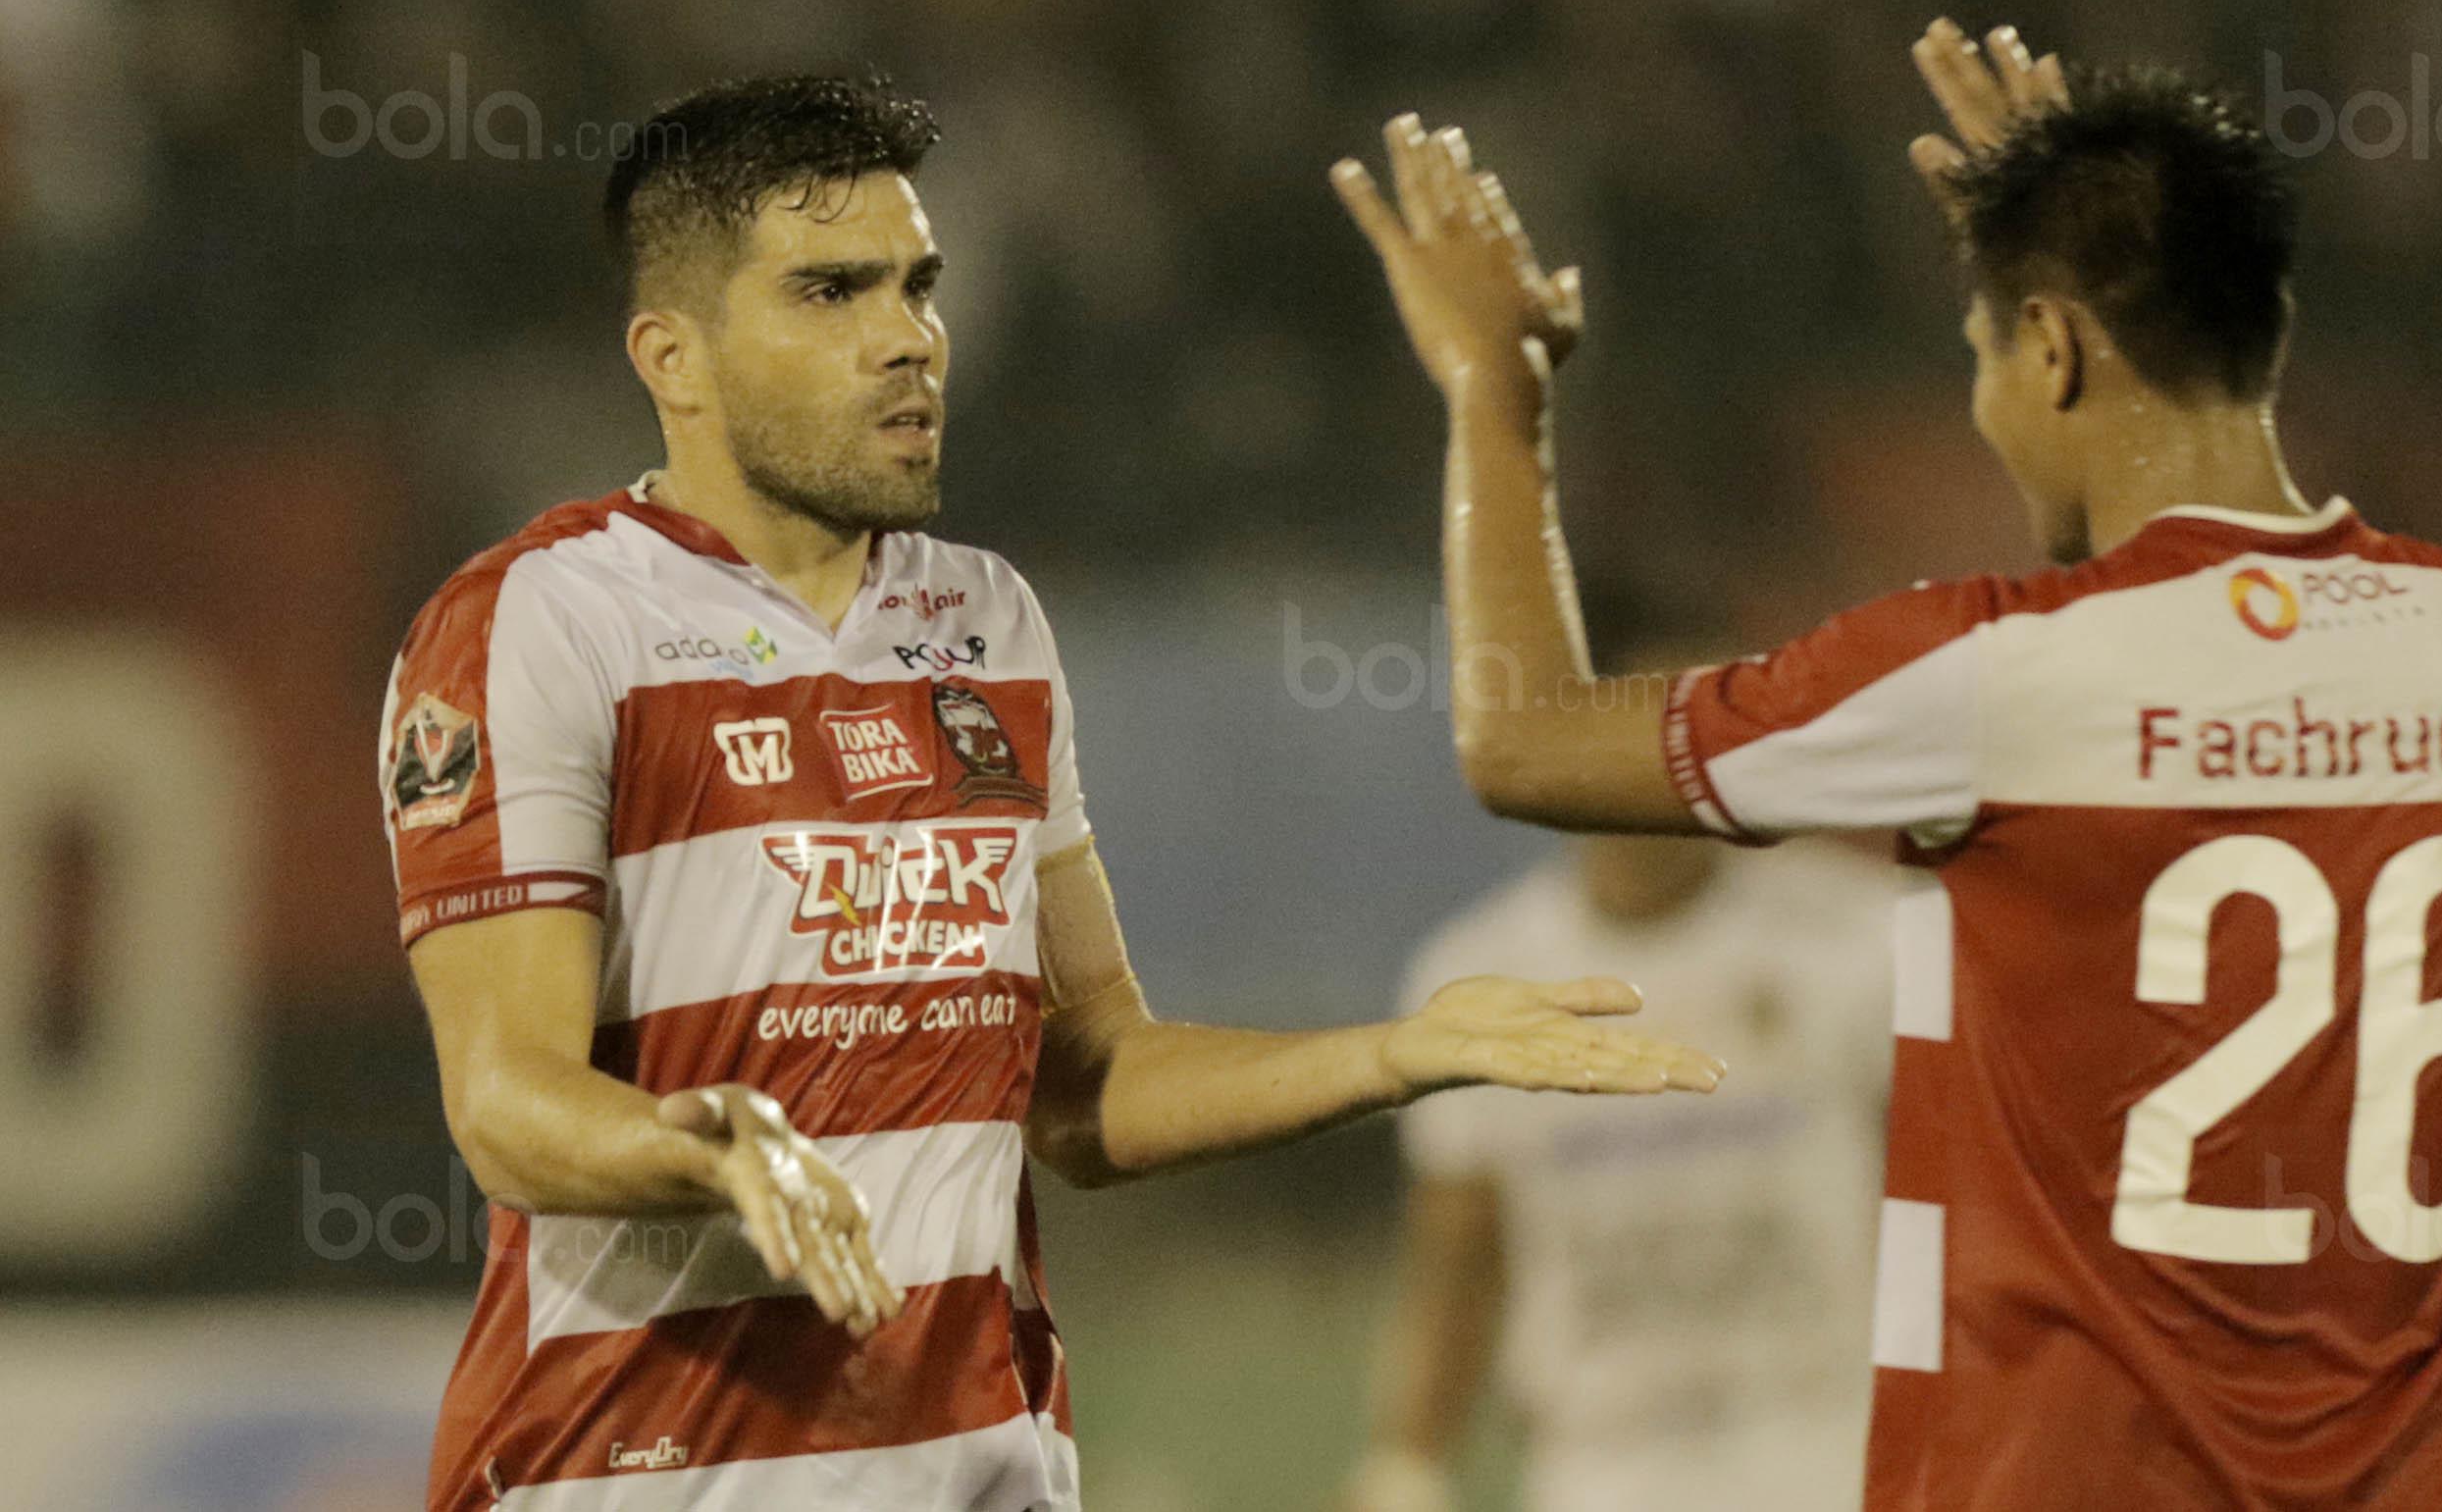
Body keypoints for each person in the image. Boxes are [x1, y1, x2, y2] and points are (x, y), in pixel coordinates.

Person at [379, 74, 1724, 1512]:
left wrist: (1397, 1051)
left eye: (919, 284)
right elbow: (505, 1100)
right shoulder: (541, 620)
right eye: (832, 292)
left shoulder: (989, 623)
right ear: (675, 357)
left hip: (986, 1469)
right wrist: (704, 1140)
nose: (907, 338)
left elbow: (1084, 1082)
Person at [1332, 21, 2442, 1509]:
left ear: (2053, 349)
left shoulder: (1993, 675)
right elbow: (2256, 673)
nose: (1984, 412)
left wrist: (1496, 398)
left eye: (1985, 351)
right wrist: (2089, 222)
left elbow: (1523, 735)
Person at [1344, 637, 1901, 1512]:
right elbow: (1460, 1255)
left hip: (1830, 1444)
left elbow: (1965, 1206)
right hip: (1603, 1465)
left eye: (1677, 745)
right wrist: (1408, 1463)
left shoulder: (1865, 937)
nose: (1647, 781)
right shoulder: (1479, 972)